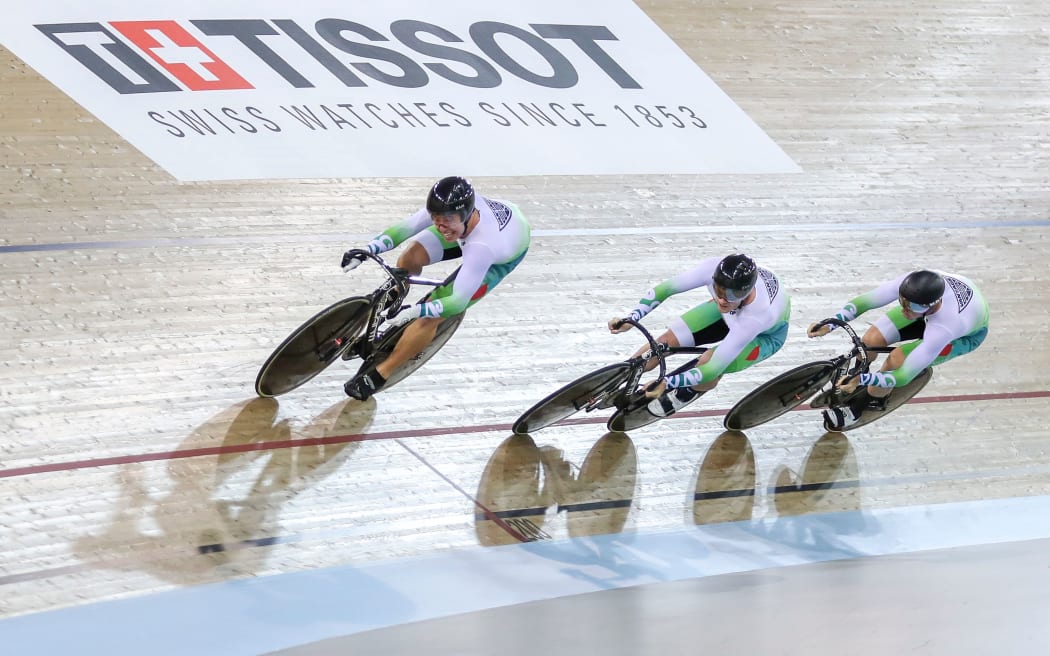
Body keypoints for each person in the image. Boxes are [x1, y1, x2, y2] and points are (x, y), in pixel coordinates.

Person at [340, 176, 531, 400]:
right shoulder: (449, 212)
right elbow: (405, 228)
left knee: (431, 315)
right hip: (477, 228)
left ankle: (383, 371)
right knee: (412, 255)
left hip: (500, 254)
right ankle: (396, 296)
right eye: (435, 219)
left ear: (467, 214)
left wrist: (417, 311)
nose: (440, 226)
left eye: (446, 220)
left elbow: (457, 301)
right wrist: (367, 250)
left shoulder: (482, 248)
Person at [609, 253, 791, 418]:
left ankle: (686, 393)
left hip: (764, 336)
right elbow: (665, 289)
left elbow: (712, 368)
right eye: (718, 291)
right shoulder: (712, 270)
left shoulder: (757, 316)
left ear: (746, 293)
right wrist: (632, 318)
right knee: (665, 342)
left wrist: (668, 382)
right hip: (732, 314)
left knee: (708, 363)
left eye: (729, 295)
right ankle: (617, 377)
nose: (721, 299)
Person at [808, 269, 990, 430]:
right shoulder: (912, 286)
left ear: (930, 305)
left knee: (896, 360)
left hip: (962, 335)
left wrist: (864, 379)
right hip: (932, 313)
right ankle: (858, 373)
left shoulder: (945, 328)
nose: (904, 310)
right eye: (902, 301)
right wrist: (831, 323)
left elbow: (904, 376)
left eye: (911, 307)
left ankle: (863, 406)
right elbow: (865, 301)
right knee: (871, 339)